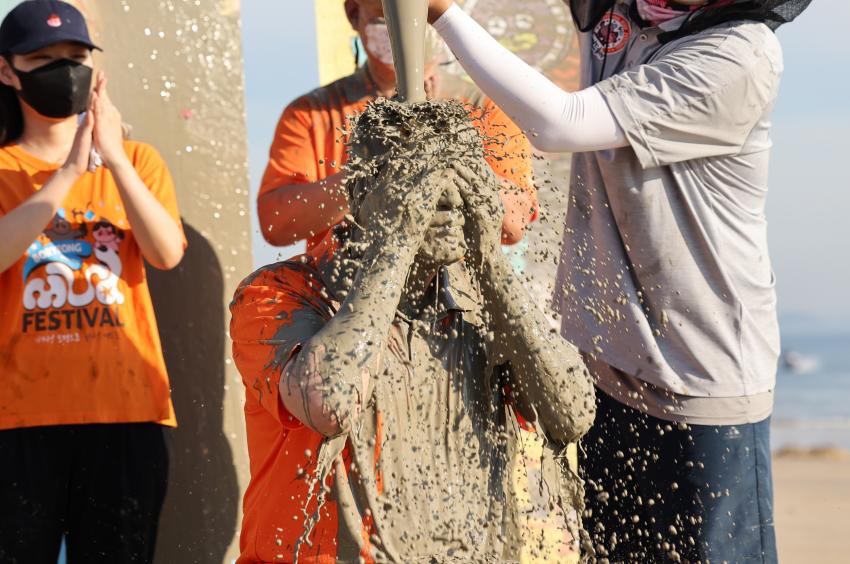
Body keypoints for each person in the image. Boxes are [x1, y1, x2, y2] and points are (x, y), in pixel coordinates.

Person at [423, 0, 811, 562]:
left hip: (701, 383)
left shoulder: (738, 56)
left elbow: (561, 123)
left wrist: (443, 14)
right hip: (608, 374)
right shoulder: (620, 11)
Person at [230, 100, 596, 563]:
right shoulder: (279, 293)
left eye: (461, 178)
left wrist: (489, 260)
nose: (444, 200)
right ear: (361, 191)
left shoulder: (481, 304)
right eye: (421, 182)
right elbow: (330, 402)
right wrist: (395, 242)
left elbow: (571, 414)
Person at [0, 1, 186, 562]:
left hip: (125, 413)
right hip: (19, 419)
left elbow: (166, 252)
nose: (63, 68)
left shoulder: (139, 161)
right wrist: (67, 175)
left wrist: (115, 160)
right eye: (42, 58)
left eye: (75, 57)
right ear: (7, 70)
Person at [257, 0, 538, 252]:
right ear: (354, 14)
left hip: (457, 287)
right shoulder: (312, 113)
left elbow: (514, 224)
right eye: (386, 12)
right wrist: (366, 175)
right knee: (261, 297)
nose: (407, 21)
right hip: (342, 290)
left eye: (424, 12)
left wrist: (450, 156)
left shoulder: (486, 109)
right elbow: (276, 224)